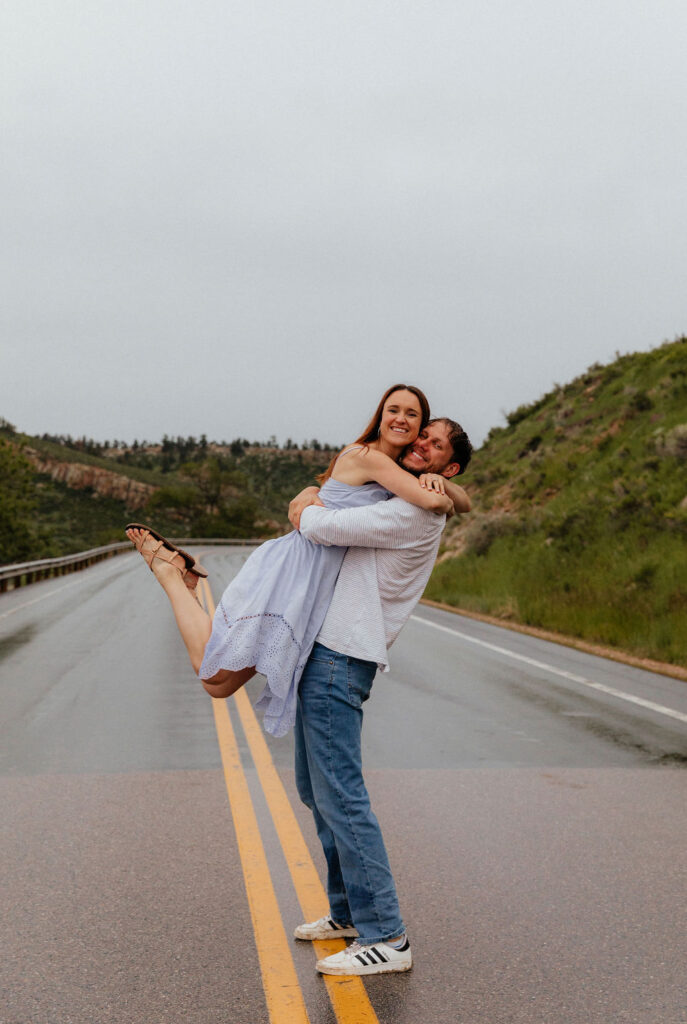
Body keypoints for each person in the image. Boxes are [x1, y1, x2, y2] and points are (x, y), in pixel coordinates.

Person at [125, 385, 463, 737]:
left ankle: (179, 577)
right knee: (215, 680)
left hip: (316, 580)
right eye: (394, 410)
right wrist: (440, 491)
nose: (401, 419)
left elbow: (462, 500)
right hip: (296, 568)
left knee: (221, 685)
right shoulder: (370, 458)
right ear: (380, 417)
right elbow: (437, 505)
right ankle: (169, 573)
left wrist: (440, 480)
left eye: (412, 415)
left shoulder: (395, 467)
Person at [285, 417, 472, 976]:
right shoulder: (415, 494)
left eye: (435, 444)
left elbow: (321, 527)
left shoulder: (414, 509)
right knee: (315, 791)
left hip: (341, 657)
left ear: (449, 468)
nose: (421, 444)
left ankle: (387, 935)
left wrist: (305, 501)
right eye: (422, 435)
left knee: (341, 795)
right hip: (326, 654)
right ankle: (347, 912)